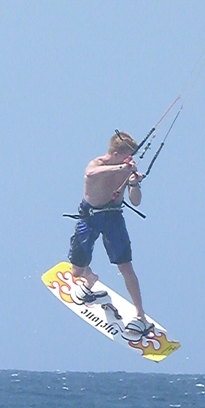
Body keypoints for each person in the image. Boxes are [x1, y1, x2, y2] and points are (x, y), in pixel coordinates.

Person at [68, 131, 152, 339]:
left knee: (125, 266)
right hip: (90, 217)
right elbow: (90, 174)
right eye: (127, 156)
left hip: (114, 219)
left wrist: (133, 183)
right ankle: (90, 279)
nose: (130, 160)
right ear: (115, 154)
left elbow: (136, 201)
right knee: (77, 270)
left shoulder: (127, 169)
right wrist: (121, 168)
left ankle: (140, 316)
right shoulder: (96, 164)